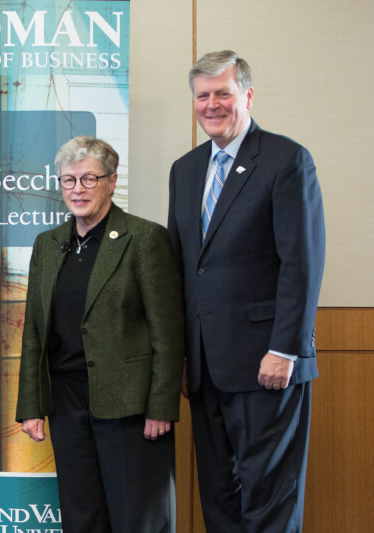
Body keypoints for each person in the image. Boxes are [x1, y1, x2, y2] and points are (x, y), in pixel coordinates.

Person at [167, 50, 325, 532]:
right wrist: (182, 355)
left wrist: (285, 349)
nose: (212, 104)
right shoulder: (185, 169)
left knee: (269, 498)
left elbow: (302, 263)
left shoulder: (286, 159)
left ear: (248, 96)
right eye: (203, 96)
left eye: (223, 93)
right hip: (204, 368)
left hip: (267, 363)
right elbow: (181, 267)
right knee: (218, 498)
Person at [16, 136, 184, 533]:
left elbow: (167, 331)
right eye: (69, 180)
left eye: (89, 179)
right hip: (66, 402)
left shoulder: (144, 239)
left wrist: (161, 405)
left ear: (111, 181)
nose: (78, 189)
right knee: (81, 516)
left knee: (138, 517)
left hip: (130, 404)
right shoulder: (47, 245)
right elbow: (34, 331)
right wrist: (31, 405)